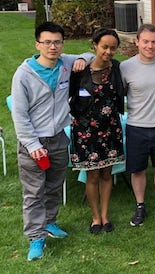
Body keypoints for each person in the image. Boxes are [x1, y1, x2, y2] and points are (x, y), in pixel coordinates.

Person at [11, 22, 90, 261]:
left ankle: (50, 222)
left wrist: (83, 60)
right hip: (33, 143)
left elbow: (90, 53)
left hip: (58, 138)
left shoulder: (65, 63)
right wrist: (33, 146)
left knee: (55, 186)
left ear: (62, 44)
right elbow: (20, 115)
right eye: (47, 42)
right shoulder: (24, 74)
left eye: (57, 42)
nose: (52, 46)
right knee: (34, 192)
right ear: (38, 45)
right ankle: (36, 238)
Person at [69, 28, 125, 234]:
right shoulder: (80, 71)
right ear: (94, 45)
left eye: (113, 47)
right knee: (92, 175)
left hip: (110, 130)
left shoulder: (117, 68)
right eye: (104, 47)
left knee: (107, 174)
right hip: (85, 131)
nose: (109, 51)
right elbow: (71, 96)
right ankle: (95, 218)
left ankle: (105, 215)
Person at [121, 24, 155, 226]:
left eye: (154, 42)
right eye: (145, 41)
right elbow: (122, 92)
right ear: (136, 41)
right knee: (138, 169)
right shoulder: (125, 67)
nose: (150, 46)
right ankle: (140, 206)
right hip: (137, 126)